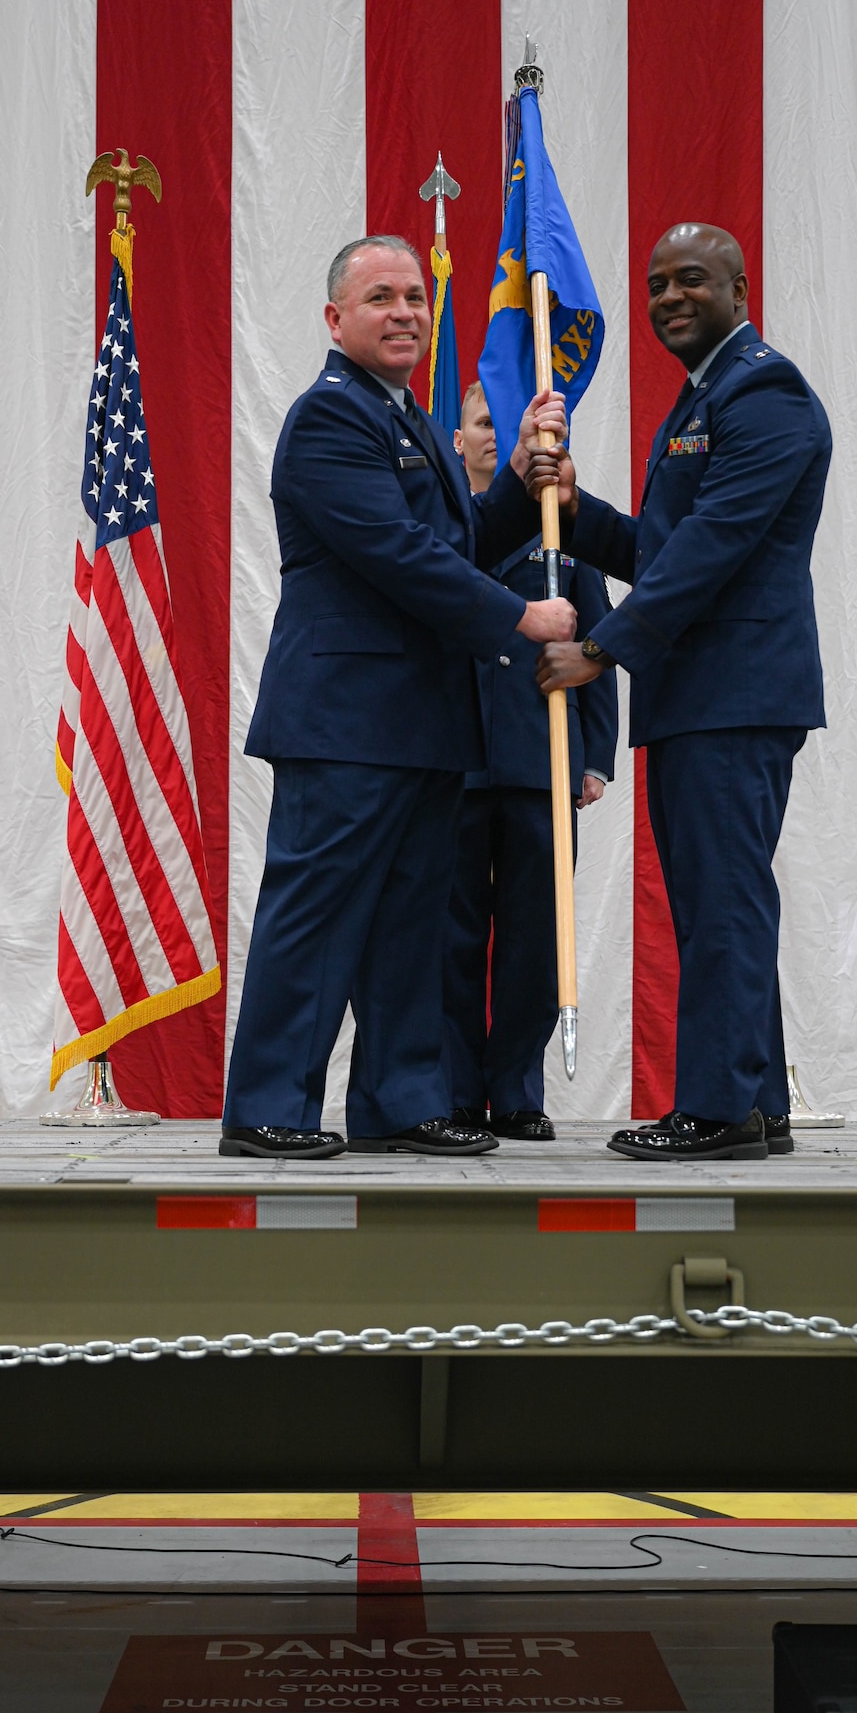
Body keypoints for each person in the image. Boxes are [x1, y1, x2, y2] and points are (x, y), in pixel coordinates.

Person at [222, 236, 575, 1161]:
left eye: (417, 296)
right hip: (346, 720)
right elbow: (397, 556)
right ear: (336, 319)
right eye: (382, 297)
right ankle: (268, 1106)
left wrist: (524, 480)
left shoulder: (412, 419)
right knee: (318, 916)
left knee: (410, 930)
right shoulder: (330, 418)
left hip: (420, 723)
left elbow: (448, 545)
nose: (408, 312)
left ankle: (399, 1102)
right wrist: (520, 617)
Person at [529, 223, 831, 1161]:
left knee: (724, 901)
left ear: (742, 287)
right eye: (657, 284)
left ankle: (717, 1109)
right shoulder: (709, 395)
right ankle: (756, 1100)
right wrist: (580, 516)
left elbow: (713, 549)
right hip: (706, 693)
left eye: (691, 280)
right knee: (718, 900)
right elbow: (668, 547)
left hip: (733, 693)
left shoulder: (764, 391)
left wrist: (602, 651)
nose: (668, 298)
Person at [444, 383, 618, 1139]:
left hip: (538, 755)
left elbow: (598, 650)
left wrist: (595, 758)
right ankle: (452, 1090)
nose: (492, 438)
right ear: (458, 439)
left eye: (503, 427)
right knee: (450, 938)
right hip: (455, 754)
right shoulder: (443, 528)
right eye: (482, 425)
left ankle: (515, 1090)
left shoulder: (558, 525)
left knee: (535, 939)